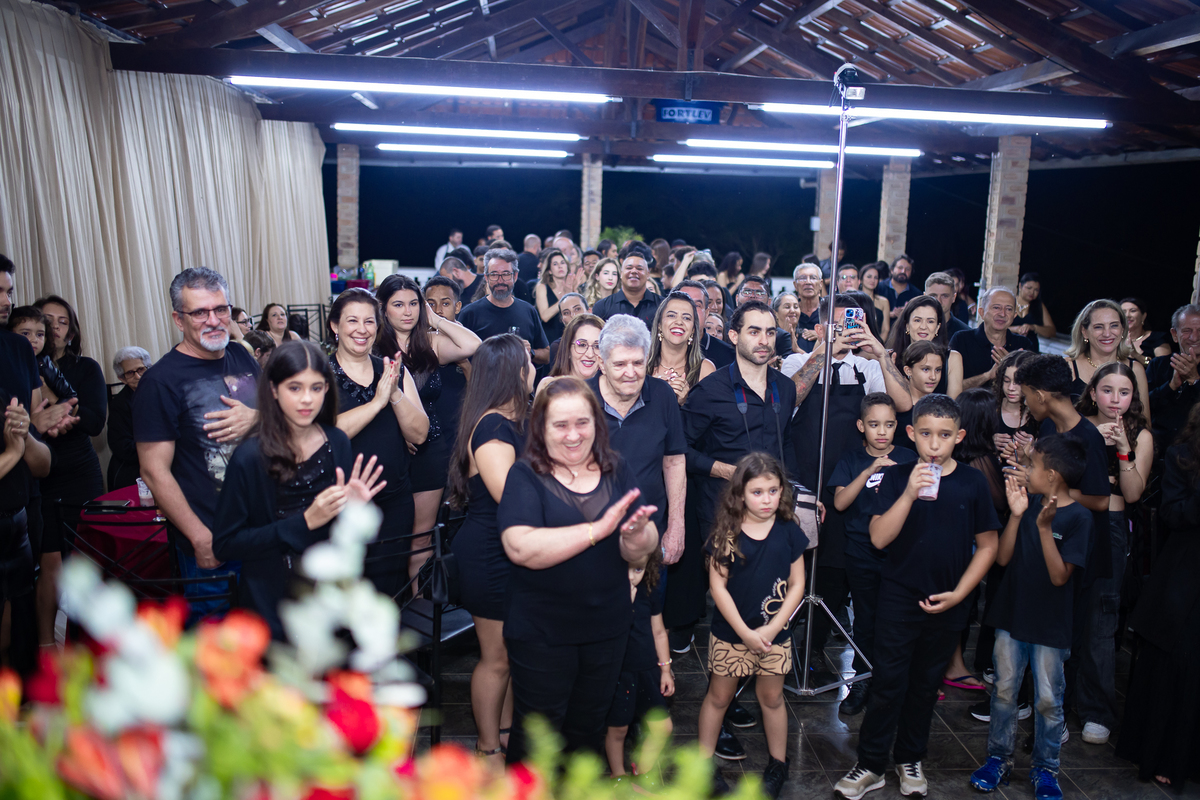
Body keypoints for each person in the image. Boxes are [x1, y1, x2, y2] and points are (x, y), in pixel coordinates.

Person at [834, 394, 999, 800]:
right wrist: (908, 492)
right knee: (888, 682)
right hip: (898, 595)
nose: (934, 444)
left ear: (959, 436)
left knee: (925, 685)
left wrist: (961, 593)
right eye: (925, 434)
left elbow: (988, 545)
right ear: (911, 433)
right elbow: (878, 538)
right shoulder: (895, 477)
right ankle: (871, 763)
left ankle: (910, 757)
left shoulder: (972, 482)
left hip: (949, 599)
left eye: (944, 435)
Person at [497, 377, 660, 764]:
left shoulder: (616, 468)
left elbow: (641, 546)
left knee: (587, 733)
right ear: (542, 428)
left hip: (607, 629)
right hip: (542, 634)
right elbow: (520, 547)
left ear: (596, 424)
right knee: (537, 740)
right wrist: (596, 530)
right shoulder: (526, 475)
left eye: (582, 423)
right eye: (561, 425)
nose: (573, 435)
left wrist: (638, 535)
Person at [212, 341, 384, 639]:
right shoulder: (250, 456)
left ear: (327, 389)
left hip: (329, 598)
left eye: (316, 388)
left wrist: (355, 513)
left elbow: (346, 541)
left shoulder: (337, 442)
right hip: (271, 603)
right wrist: (304, 522)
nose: (307, 399)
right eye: (295, 388)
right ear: (274, 390)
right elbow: (226, 545)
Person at [783, 295, 912, 678]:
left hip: (848, 484)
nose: (844, 332)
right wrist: (823, 352)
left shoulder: (866, 368)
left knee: (835, 575)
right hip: (803, 481)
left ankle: (813, 648)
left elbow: (903, 403)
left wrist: (880, 354)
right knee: (793, 568)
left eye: (849, 324)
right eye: (836, 325)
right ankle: (778, 649)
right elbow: (788, 399)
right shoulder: (796, 361)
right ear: (819, 327)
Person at [968, 436, 1090, 800]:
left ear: (1051, 475)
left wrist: (1043, 528)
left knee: (1049, 701)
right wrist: (1018, 515)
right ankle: (998, 759)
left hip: (1050, 625)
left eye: (1032, 466)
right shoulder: (1028, 502)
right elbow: (1003, 558)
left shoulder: (1079, 517)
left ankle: (1046, 768)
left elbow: (1059, 576)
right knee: (1004, 691)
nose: (1026, 471)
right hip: (1012, 615)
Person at [135, 268, 260, 604]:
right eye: (200, 313)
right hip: (213, 539)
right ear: (179, 319)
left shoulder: (241, 355)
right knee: (215, 633)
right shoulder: (160, 382)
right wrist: (199, 537)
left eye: (221, 309)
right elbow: (153, 471)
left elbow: (275, 417)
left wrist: (257, 417)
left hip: (262, 530)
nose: (214, 320)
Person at [1013, 354, 1114, 747]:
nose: (1025, 403)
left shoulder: (1088, 437)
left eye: (1027, 395)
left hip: (1077, 549)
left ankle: (1057, 718)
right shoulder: (1046, 426)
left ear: (1041, 395)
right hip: (1045, 540)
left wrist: (1053, 491)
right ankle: (1036, 702)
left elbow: (1100, 500)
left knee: (1068, 636)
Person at [700, 453, 807, 799]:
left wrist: (773, 628)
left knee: (772, 698)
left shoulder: (789, 530)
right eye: (757, 492)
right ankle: (703, 765)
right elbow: (717, 587)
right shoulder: (726, 533)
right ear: (740, 494)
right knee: (719, 697)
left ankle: (778, 764)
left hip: (775, 635)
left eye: (773, 491)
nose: (767, 499)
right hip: (732, 635)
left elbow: (798, 584)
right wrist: (745, 633)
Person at [447, 334, 533, 763]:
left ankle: (505, 733)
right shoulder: (493, 428)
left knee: (511, 654)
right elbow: (511, 497)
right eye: (528, 362)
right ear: (513, 372)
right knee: (496, 657)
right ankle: (487, 748)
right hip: (489, 553)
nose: (534, 368)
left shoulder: (513, 421)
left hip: (508, 548)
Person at [1115, 403, 1200, 790]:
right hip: (1183, 576)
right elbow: (1174, 516)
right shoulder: (1183, 457)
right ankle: (1165, 755)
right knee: (1176, 665)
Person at [376, 275, 478, 580]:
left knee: (422, 537)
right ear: (383, 308)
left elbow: (472, 344)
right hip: (388, 449)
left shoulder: (429, 342)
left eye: (413, 304)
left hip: (430, 450)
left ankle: (418, 601)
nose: (407, 311)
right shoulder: (372, 346)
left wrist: (434, 318)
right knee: (387, 536)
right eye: (398, 305)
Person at [328, 288, 427, 598]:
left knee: (390, 590)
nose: (362, 329)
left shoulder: (392, 370)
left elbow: (419, 434)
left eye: (369, 321)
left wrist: (394, 392)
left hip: (394, 501)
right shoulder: (320, 375)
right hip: (341, 504)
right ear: (334, 325)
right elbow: (323, 435)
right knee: (347, 589)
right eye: (352, 321)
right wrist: (376, 403)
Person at [829, 393, 918, 716]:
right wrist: (869, 472)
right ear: (861, 426)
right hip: (861, 553)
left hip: (899, 554)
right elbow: (840, 503)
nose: (882, 432)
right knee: (865, 621)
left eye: (889, 425)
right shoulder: (852, 459)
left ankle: (891, 684)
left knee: (896, 621)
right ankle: (862, 680)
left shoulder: (908, 458)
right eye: (874, 424)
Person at [34, 295, 106, 643]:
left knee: (87, 559)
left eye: (62, 322)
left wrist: (57, 400)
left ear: (72, 331)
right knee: (50, 563)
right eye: (47, 321)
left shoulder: (87, 368)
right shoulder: (21, 366)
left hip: (80, 471)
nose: (54, 328)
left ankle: (86, 643)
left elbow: (93, 422)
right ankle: (46, 644)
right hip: (40, 473)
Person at [591, 314, 687, 569]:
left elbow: (674, 461)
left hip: (650, 537)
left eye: (638, 363)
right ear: (601, 363)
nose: (630, 373)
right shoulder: (581, 399)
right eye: (620, 364)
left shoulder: (663, 395)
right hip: (593, 538)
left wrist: (676, 526)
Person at [0, 255, 55, 677]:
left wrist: (26, 439)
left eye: (9, 292)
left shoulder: (18, 349)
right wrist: (14, 451)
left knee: (17, 631)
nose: (6, 301)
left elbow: (41, 462)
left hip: (15, 513)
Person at [605, 550, 673, 779]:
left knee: (663, 727)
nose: (631, 576)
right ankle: (618, 775)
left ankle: (642, 769)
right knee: (618, 729)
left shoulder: (649, 590)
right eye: (625, 569)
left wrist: (665, 669)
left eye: (638, 569)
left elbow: (659, 632)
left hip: (647, 671)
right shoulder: (607, 596)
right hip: (619, 673)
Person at [1063, 299, 1150, 425]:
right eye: (1099, 327)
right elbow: (1053, 421)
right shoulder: (1068, 366)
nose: (1107, 333)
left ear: (1123, 330)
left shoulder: (1135, 369)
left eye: (1114, 325)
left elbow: (1144, 424)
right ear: (1084, 331)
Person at [458, 248, 550, 365]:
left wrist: (530, 352)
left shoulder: (528, 311)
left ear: (515, 276)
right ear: (486, 277)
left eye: (506, 274)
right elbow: (458, 355)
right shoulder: (470, 313)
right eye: (494, 274)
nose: (500, 281)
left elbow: (546, 355)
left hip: (521, 377)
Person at [423, 276, 472, 457]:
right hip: (424, 434)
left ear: (457, 307)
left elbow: (480, 391)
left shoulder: (469, 342)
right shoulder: (416, 342)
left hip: (458, 430)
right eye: (431, 304)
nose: (438, 310)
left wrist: (464, 364)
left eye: (445, 304)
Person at [950, 286, 1034, 390]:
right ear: (981, 312)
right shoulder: (961, 340)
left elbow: (1033, 388)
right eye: (996, 307)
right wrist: (988, 375)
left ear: (1014, 315)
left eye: (1009, 309)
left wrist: (1012, 369)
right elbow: (951, 388)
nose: (1003, 314)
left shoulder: (1023, 345)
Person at [1146, 304, 1200, 451]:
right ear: (1174, 334)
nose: (1194, 337)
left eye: (1199, 330)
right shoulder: (1158, 365)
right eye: (1187, 331)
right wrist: (1170, 386)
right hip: (1159, 450)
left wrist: (1195, 380)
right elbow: (1142, 407)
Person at [887, 296, 964, 398]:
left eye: (930, 321)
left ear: (937, 327)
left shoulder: (952, 358)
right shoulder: (891, 357)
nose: (923, 327)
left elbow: (954, 405)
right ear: (907, 325)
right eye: (917, 320)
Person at [647, 292, 715, 405]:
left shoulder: (705, 369)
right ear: (659, 325)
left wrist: (686, 402)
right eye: (671, 315)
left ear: (693, 330)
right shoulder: (641, 363)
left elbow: (712, 414)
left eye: (686, 318)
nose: (679, 322)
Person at [107, 346, 152, 490]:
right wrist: (157, 448)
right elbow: (121, 446)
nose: (138, 376)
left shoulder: (162, 393)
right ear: (122, 378)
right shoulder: (119, 405)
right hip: (133, 472)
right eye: (130, 373)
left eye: (141, 369)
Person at [592, 245, 663, 328]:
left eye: (639, 268)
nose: (634, 271)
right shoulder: (602, 307)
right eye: (629, 268)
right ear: (621, 274)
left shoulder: (662, 305)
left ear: (648, 274)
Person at [894, 341, 947, 450]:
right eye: (926, 369)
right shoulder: (894, 405)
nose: (933, 377)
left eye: (938, 370)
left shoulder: (945, 407)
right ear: (908, 371)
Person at [675, 279, 734, 368]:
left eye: (697, 305)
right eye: (683, 303)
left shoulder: (728, 355)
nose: (689, 310)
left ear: (706, 313)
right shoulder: (656, 349)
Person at [533, 248, 586, 345]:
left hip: (571, 337)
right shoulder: (542, 287)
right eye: (555, 264)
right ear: (549, 270)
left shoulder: (572, 284)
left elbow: (580, 315)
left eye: (562, 263)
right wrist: (565, 296)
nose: (560, 266)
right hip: (549, 338)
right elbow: (545, 316)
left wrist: (575, 290)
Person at [542, 313, 604, 389]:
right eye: (582, 345)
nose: (590, 354)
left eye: (597, 346)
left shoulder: (612, 391)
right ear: (568, 349)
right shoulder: (548, 387)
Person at [1120, 297, 1173, 366]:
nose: (1127, 315)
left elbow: (1162, 368)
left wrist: (1135, 354)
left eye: (1132, 311)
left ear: (1143, 316)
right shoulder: (1114, 339)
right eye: (1123, 312)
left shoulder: (1157, 338)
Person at [545, 293, 589, 367]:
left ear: (589, 311)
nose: (573, 315)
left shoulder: (602, 340)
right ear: (562, 320)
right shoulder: (558, 347)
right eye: (566, 313)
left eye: (577, 309)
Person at [1012, 273, 1056, 343]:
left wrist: (1034, 327)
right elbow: (995, 327)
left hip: (1030, 347)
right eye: (1029, 288)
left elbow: (1052, 331)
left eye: (1036, 290)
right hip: (1009, 345)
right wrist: (1016, 329)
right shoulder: (1010, 302)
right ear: (1020, 286)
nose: (1032, 292)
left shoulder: (1039, 305)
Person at [924, 272, 970, 340]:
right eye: (933, 296)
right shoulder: (913, 330)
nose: (938, 301)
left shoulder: (965, 335)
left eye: (944, 296)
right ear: (924, 297)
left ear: (953, 298)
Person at [790, 263, 823, 353]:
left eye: (813, 278)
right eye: (802, 278)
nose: (808, 282)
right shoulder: (790, 311)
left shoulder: (830, 310)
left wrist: (823, 335)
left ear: (820, 284)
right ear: (795, 285)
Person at [859, 263, 892, 343]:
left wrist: (877, 345)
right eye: (869, 277)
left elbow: (886, 329)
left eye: (876, 277)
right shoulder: (854, 300)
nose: (872, 280)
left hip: (877, 343)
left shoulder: (884, 302)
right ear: (861, 279)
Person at [881, 254, 919, 321]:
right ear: (892, 270)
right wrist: (888, 314)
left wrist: (907, 313)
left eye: (907, 269)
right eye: (900, 268)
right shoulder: (879, 288)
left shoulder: (916, 295)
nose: (903, 271)